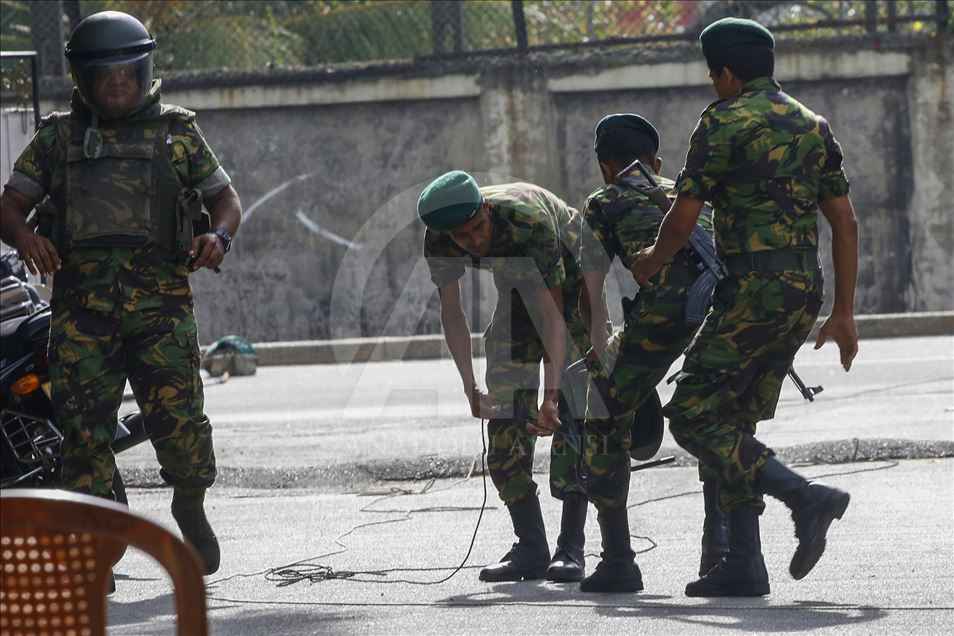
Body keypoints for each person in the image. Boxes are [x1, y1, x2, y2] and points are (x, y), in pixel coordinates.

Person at [0, 10, 243, 576]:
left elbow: (225, 199)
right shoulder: (59, 136)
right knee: (83, 439)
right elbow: (10, 205)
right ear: (83, 77)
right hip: (84, 316)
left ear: (143, 69)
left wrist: (219, 236)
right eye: (103, 71)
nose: (116, 81)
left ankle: (190, 506)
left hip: (163, 313)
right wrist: (26, 237)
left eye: (125, 70)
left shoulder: (178, 132)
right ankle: (97, 554)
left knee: (180, 425)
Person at [632, 17, 859, 597]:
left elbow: (683, 220)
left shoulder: (722, 121)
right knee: (733, 421)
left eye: (714, 77)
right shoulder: (813, 123)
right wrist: (844, 311)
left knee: (690, 414)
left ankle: (805, 497)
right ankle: (745, 562)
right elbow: (843, 220)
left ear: (726, 74)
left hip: (751, 291)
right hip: (801, 293)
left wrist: (652, 260)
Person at [576, 113, 729, 593]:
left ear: (605, 167)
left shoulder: (604, 201)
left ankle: (618, 560)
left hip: (664, 313)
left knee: (603, 416)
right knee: (715, 420)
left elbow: (592, 288)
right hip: (724, 310)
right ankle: (720, 553)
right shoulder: (690, 195)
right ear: (657, 163)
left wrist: (600, 358)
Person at [419, 171, 590, 582]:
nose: (475, 241)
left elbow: (552, 316)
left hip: (572, 279)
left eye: (479, 228)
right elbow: (452, 312)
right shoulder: (439, 236)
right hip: (515, 290)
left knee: (573, 414)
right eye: (464, 237)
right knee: (504, 421)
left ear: (488, 209)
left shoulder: (528, 222)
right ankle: (531, 547)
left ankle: (572, 547)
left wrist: (550, 396)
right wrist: (470, 388)